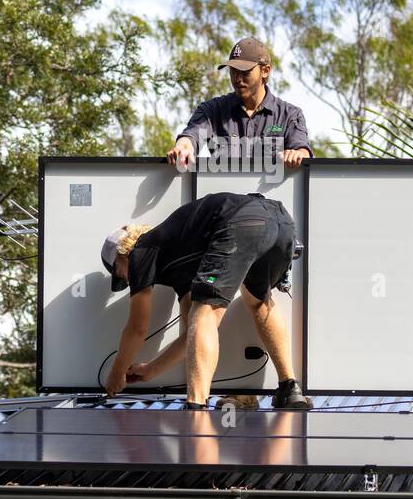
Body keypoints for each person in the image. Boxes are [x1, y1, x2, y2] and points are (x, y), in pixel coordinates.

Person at [99, 191, 311, 409]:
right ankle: (289, 388)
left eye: (119, 273)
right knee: (259, 301)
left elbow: (137, 329)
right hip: (281, 223)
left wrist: (116, 374)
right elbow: (192, 334)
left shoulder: (141, 251)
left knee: (206, 311)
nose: (125, 278)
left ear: (122, 252)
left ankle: (196, 405)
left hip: (241, 222)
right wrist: (151, 370)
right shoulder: (178, 261)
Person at [167, 37, 312, 171]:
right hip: (225, 197)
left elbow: (303, 152)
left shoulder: (290, 115)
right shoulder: (211, 111)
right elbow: (191, 137)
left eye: (245, 72)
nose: (237, 79)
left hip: (270, 198)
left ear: (265, 71)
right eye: (233, 71)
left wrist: (297, 155)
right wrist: (182, 148)